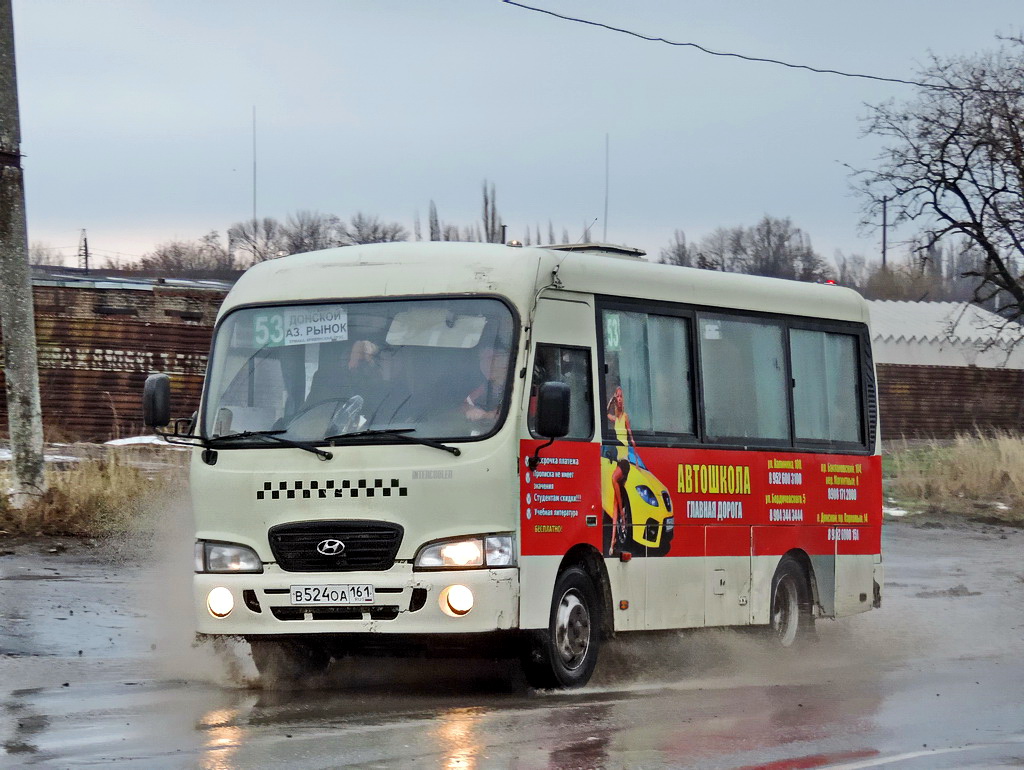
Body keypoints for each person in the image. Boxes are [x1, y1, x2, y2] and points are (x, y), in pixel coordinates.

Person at [605, 385, 636, 555]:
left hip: (624, 461)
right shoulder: (615, 418)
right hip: (618, 460)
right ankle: (612, 542)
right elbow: (604, 414)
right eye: (617, 396)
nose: (619, 398)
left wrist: (636, 456)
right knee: (614, 506)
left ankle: (624, 517)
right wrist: (609, 400)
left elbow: (631, 435)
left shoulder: (624, 417)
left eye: (620, 396)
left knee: (613, 478)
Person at [462, 344, 509, 426]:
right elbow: (466, 403)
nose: (484, 364)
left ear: (506, 360)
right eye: (481, 359)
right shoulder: (486, 387)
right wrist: (470, 409)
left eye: (491, 358)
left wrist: (486, 415)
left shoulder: (522, 387)